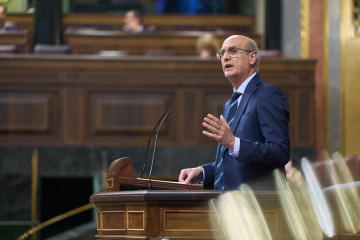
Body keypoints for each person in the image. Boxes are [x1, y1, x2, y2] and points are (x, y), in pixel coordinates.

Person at [179, 35, 290, 190]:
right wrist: (203, 172)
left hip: (259, 204)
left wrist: (233, 143)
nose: (225, 57)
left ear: (252, 57)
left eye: (233, 51)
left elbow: (279, 152)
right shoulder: (230, 104)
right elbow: (235, 165)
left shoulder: (268, 94)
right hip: (229, 204)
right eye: (222, 53)